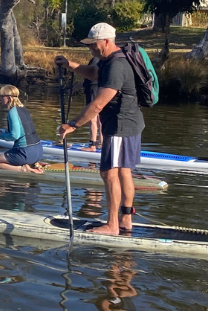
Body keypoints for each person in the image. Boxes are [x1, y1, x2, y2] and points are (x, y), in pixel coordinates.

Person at [55, 22, 145, 236]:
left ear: (106, 41)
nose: (91, 49)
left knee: (108, 173)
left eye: (93, 45)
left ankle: (112, 225)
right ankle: (125, 220)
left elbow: (98, 104)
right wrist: (70, 65)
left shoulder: (116, 65)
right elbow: (93, 73)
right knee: (124, 171)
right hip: (128, 123)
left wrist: (73, 124)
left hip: (119, 125)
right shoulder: (109, 60)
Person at [0, 85, 45, 173]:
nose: (0, 100)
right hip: (38, 151)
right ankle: (31, 164)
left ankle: (23, 169)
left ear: (8, 98)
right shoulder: (23, 109)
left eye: (1, 97)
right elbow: (23, 131)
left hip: (25, 153)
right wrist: (3, 131)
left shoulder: (12, 112)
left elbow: (14, 135)